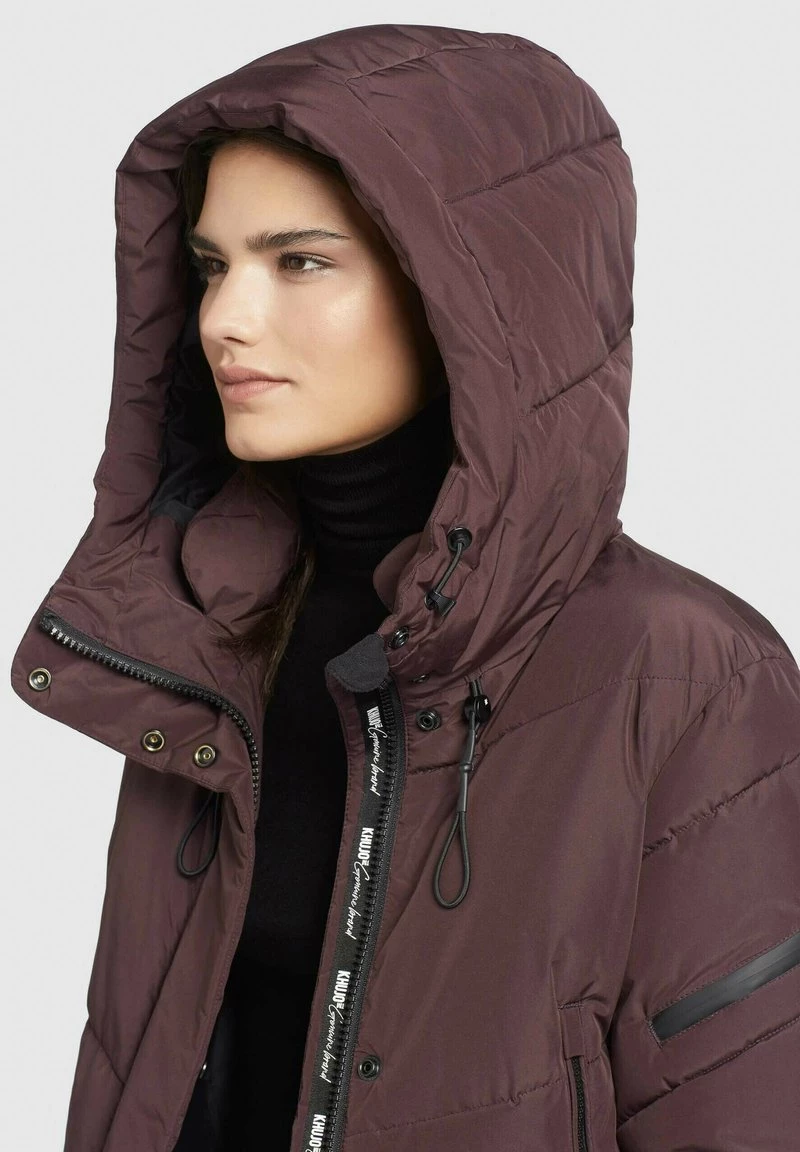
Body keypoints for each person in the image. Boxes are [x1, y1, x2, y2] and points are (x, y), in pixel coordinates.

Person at [10, 22, 800, 1152]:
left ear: (473, 303)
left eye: (300, 261)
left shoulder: (682, 674)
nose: (226, 318)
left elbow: (740, 1108)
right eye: (212, 265)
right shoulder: (204, 633)